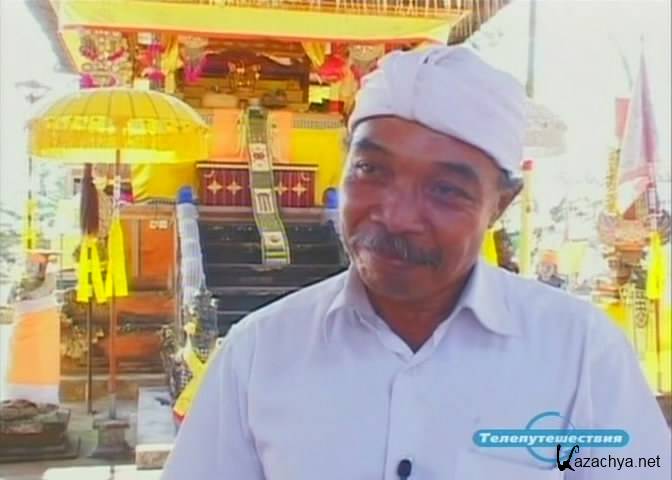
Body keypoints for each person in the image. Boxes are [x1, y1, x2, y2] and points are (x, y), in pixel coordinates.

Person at [161, 46, 670, 479]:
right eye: (371, 170)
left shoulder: (581, 352)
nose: (397, 216)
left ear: (500, 204)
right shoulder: (258, 354)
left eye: (446, 190)